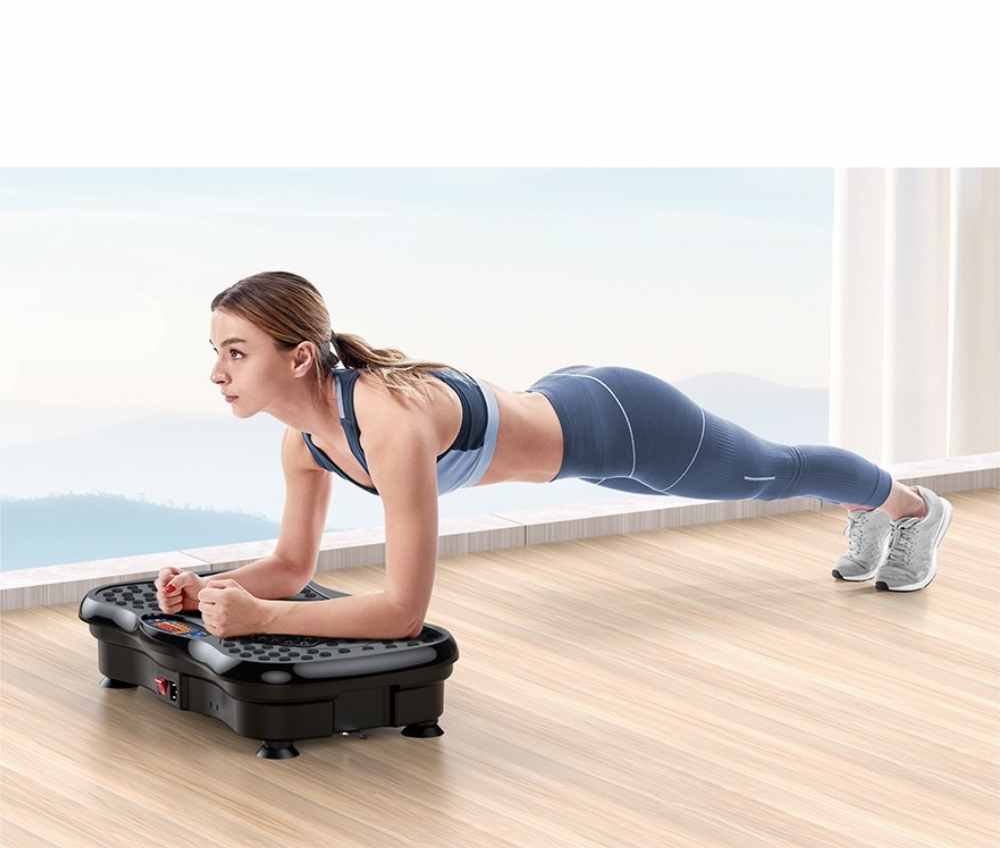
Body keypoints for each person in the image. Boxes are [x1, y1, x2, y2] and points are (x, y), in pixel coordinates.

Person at [167, 270, 951, 631]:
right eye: (216, 350)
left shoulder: (388, 421)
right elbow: (294, 568)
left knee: (774, 473)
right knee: (765, 477)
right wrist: (210, 588)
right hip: (575, 437)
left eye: (235, 352)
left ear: (298, 356)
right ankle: (879, 512)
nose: (216, 372)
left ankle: (912, 508)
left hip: (620, 422)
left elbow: (404, 613)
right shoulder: (305, 446)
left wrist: (263, 616)